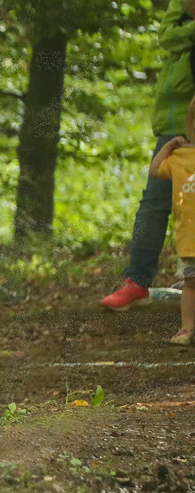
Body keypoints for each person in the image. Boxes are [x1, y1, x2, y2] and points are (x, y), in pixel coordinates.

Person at [103, 0, 195, 311]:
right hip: (172, 129)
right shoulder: (178, 25)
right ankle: (138, 281)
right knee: (153, 203)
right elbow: (167, 33)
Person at [149, 98, 195, 344]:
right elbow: (155, 171)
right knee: (190, 284)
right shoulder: (181, 159)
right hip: (190, 239)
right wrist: (167, 148)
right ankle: (187, 330)